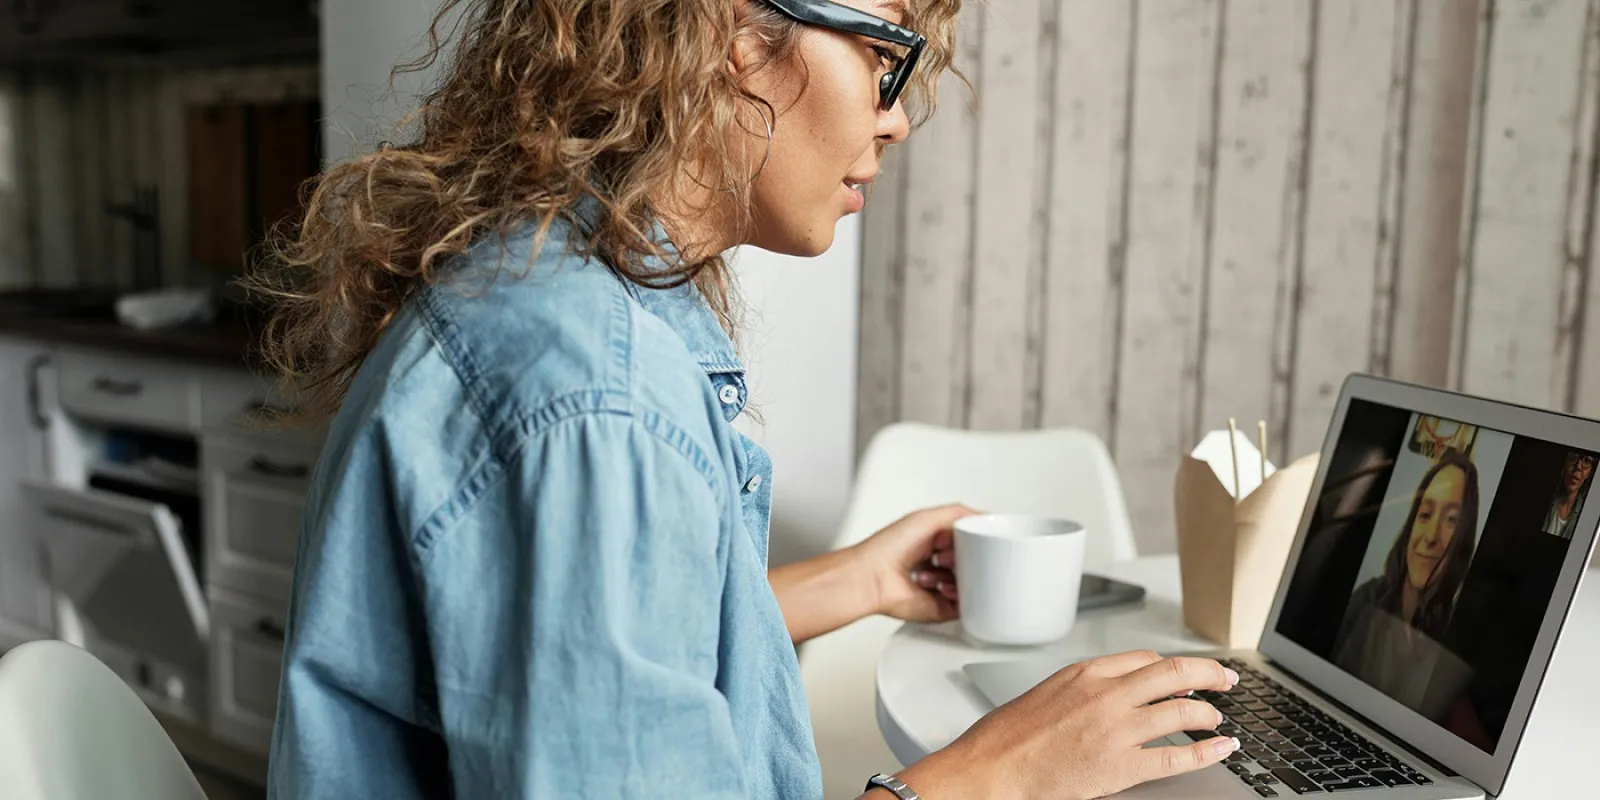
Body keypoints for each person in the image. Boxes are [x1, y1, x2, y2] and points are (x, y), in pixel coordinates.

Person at [252, 0, 1243, 797]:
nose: (895, 116)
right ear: (732, 35)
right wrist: (993, 778)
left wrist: (847, 581)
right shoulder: (601, 400)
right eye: (884, 49)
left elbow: (581, 658)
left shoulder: (546, 296)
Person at [1333, 451, 1480, 719]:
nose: (1431, 537)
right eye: (1425, 514)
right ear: (1412, 522)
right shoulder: (1366, 601)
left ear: (1464, 539)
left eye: (1451, 520)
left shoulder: (1456, 639)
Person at [1541, 451, 1595, 539]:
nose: (1578, 466)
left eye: (1587, 461)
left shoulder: (1587, 515)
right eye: (1573, 457)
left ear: (1589, 473)